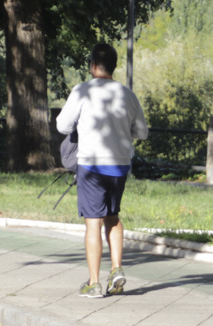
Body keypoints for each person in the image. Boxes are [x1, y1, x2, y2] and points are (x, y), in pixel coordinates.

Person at [57, 42, 148, 299]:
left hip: (91, 164)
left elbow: (62, 126)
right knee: (113, 216)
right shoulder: (127, 94)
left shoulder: (83, 91)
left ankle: (94, 283)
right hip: (119, 165)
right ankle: (117, 268)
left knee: (93, 223)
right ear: (114, 66)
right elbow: (142, 132)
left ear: (93, 65)